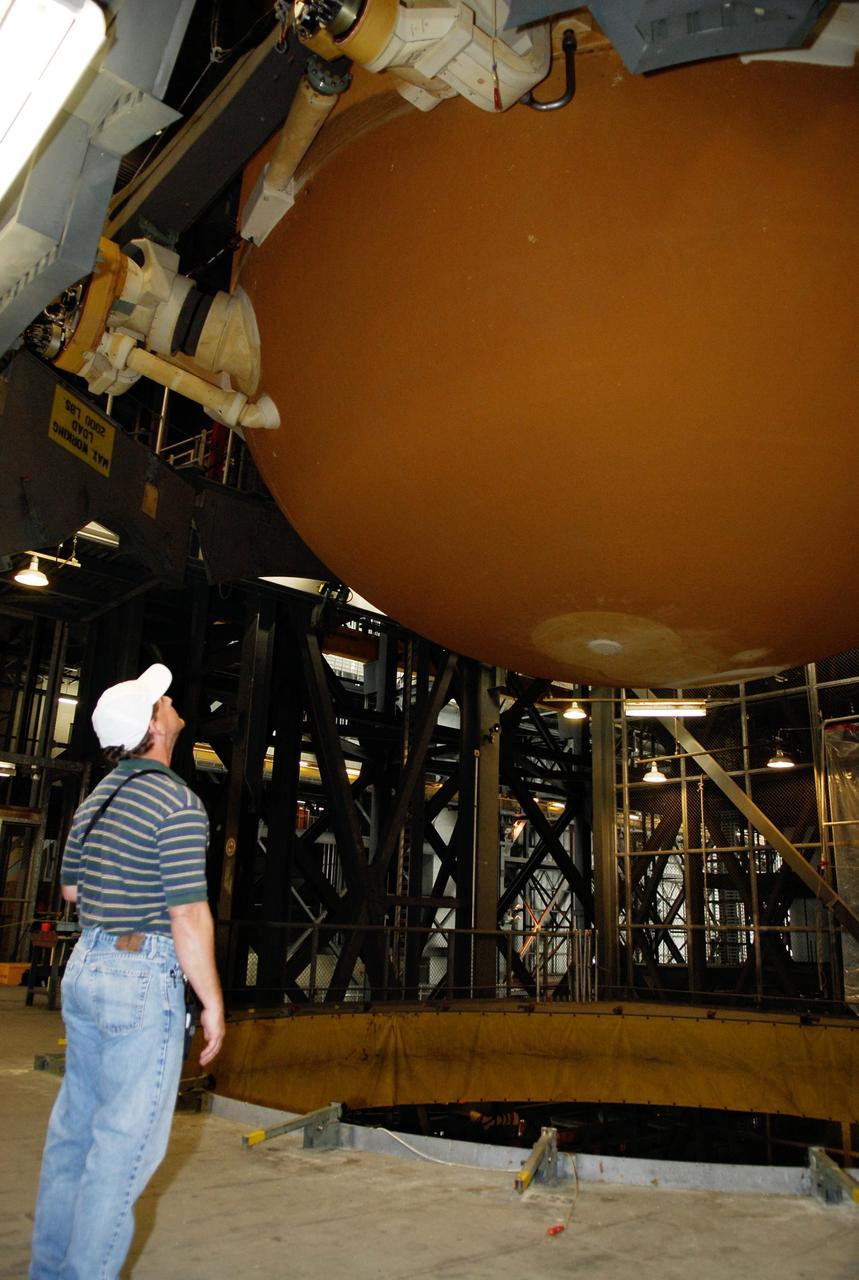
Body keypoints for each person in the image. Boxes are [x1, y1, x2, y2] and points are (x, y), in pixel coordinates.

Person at [30, 663, 225, 1280]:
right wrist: (212, 1002)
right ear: (154, 728)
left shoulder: (96, 800)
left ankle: (49, 1270)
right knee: (122, 1149)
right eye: (159, 701)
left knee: (74, 1136)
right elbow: (187, 913)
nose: (168, 701)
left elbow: (69, 890)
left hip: (87, 966)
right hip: (140, 978)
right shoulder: (177, 803)